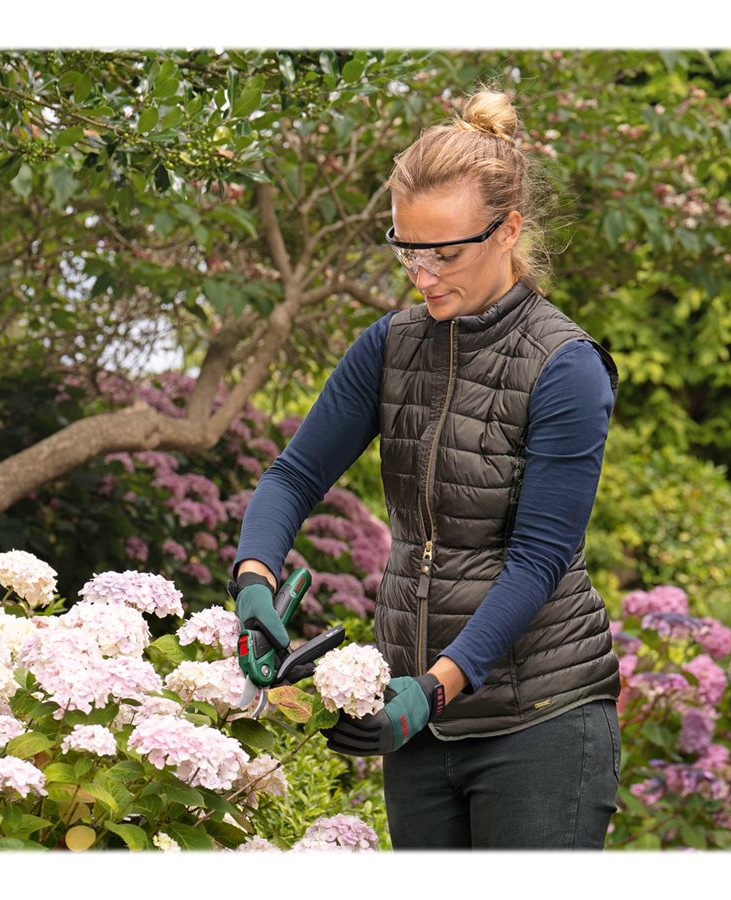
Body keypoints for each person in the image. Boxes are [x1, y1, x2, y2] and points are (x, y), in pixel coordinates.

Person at [228, 88, 621, 850]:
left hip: (540, 723)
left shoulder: (566, 367)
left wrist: (435, 688)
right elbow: (292, 478)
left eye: (446, 253)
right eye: (408, 250)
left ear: (507, 231)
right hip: (419, 728)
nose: (423, 274)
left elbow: (538, 560)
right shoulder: (390, 346)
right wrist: (253, 583)